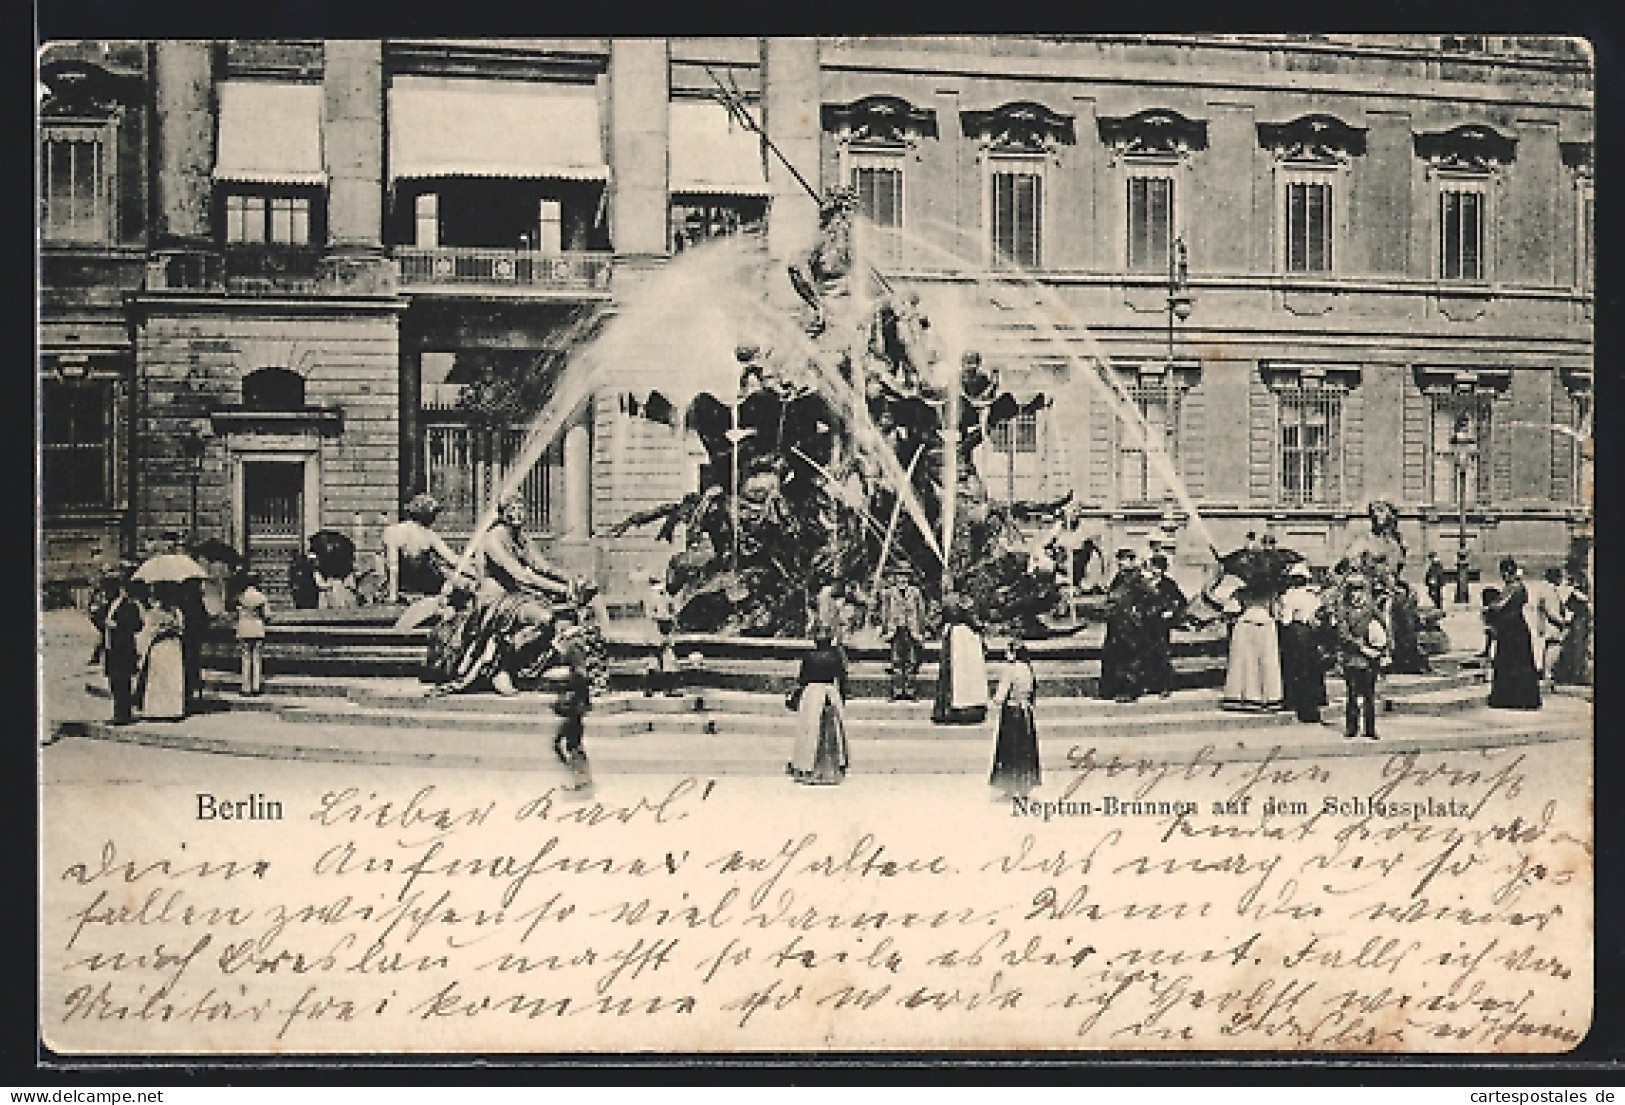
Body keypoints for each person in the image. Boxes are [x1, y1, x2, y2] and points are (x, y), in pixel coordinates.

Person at [787, 627, 850, 785]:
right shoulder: (835, 657)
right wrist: (841, 698)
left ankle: (806, 765)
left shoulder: (809, 657)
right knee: (833, 730)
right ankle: (834, 766)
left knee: (809, 729)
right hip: (830, 692)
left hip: (812, 693)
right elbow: (842, 678)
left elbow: (802, 679)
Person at [1332, 573, 1386, 740]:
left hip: (1371, 658)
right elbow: (1343, 634)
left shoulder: (1370, 608)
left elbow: (1383, 625)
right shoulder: (1344, 610)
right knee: (1352, 694)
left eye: (1359, 590)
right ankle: (1351, 728)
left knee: (1369, 694)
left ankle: (1370, 728)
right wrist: (1360, 645)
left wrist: (1383, 647)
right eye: (1353, 590)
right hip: (1352, 657)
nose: (1356, 594)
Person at [1484, 557, 1542, 710]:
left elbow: (1499, 606)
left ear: (1506, 572)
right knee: (1522, 662)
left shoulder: (1512, 587)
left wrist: (1489, 606)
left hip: (1510, 630)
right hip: (1519, 628)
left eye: (1503, 573)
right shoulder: (1520, 586)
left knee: (1509, 663)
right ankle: (1525, 698)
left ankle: (1509, 699)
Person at [381, 493, 459, 603]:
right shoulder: (427, 535)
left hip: (404, 590)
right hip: (413, 590)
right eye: (433, 515)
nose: (434, 519)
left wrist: (392, 597)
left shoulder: (391, 531)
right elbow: (453, 560)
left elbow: (392, 567)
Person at [988, 639, 1041, 799]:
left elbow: (1000, 696)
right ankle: (1025, 785)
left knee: (1010, 750)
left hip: (1012, 713)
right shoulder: (1028, 669)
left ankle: (1010, 785)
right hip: (1026, 714)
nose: (1006, 654)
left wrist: (993, 700)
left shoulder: (1009, 670)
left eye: (1008, 651)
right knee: (1025, 750)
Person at [1277, 563, 1329, 724]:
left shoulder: (1289, 596)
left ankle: (1295, 703)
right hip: (1311, 634)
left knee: (1295, 670)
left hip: (1295, 633)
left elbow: (1286, 620)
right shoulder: (1313, 596)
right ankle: (1313, 706)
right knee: (1311, 670)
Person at [550, 607, 594, 792]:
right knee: (569, 742)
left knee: (568, 742)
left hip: (574, 702)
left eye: (560, 621)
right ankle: (581, 778)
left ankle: (581, 778)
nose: (558, 625)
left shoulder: (573, 644)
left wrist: (569, 686)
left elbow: (581, 673)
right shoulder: (571, 642)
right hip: (575, 701)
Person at [1221, 580, 1283, 712]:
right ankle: (1268, 697)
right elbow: (1277, 613)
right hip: (1265, 625)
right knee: (1267, 662)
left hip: (1246, 624)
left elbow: (1231, 609)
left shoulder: (1241, 592)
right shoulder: (1272, 592)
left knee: (1246, 662)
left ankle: (1246, 696)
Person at [1098, 548, 1148, 703]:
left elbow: (1149, 598)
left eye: (1124, 559)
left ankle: (1129, 690)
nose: (1120, 563)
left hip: (1130, 626)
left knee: (1129, 658)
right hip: (1115, 624)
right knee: (1112, 656)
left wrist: (1138, 614)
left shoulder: (1138, 579)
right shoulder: (1118, 578)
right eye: (1119, 560)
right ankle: (1110, 689)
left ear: (1132, 561)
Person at [933, 596, 989, 724]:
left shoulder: (948, 599)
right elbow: (974, 621)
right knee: (966, 673)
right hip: (965, 637)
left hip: (956, 635)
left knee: (957, 673)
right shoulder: (966, 600)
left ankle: (950, 710)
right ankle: (967, 710)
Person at [135, 582, 187, 721]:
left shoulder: (176, 611)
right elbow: (149, 630)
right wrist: (160, 630)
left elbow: (182, 629)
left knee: (172, 677)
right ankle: (157, 710)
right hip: (160, 646)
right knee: (159, 678)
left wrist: (173, 629)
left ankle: (172, 709)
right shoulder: (154, 612)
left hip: (172, 646)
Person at [1140, 554, 1188, 699]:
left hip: (1161, 624)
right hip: (1146, 622)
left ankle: (1164, 686)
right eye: (1154, 567)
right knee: (1146, 653)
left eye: (1159, 568)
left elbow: (1181, 601)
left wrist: (1171, 612)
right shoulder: (1145, 583)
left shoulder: (1169, 584)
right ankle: (1148, 684)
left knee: (1162, 654)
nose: (1156, 571)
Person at [878, 572, 926, 701]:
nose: (902, 579)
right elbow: (885, 611)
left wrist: (921, 630)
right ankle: (897, 691)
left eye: (905, 576)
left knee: (911, 661)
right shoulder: (889, 593)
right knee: (896, 661)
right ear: (895, 578)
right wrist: (885, 629)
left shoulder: (915, 592)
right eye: (900, 576)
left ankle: (910, 691)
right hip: (896, 630)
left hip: (911, 630)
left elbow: (920, 611)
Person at [103, 575, 145, 725]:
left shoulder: (130, 605)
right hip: (111, 648)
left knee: (123, 681)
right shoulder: (111, 604)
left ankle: (123, 714)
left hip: (123, 648)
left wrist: (117, 625)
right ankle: (118, 712)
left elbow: (137, 625)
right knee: (114, 682)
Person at [644, 573, 682, 697]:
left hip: (655, 631)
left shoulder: (651, 595)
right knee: (666, 659)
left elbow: (651, 613)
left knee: (655, 659)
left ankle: (651, 688)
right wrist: (669, 619)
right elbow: (667, 612)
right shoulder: (661, 595)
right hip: (661, 629)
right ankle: (668, 689)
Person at [1552, 568, 1592, 686]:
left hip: (1578, 621)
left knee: (1576, 648)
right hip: (1577, 621)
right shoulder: (1574, 592)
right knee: (1576, 648)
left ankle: (1574, 674)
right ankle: (1574, 673)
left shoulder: (1574, 593)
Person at [233, 571, 269, 697]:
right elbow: (267, 614)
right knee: (257, 658)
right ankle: (256, 686)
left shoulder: (241, 597)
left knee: (245, 658)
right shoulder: (261, 597)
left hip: (244, 627)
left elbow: (236, 614)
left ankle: (245, 687)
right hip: (257, 627)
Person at [1532, 567, 1568, 685]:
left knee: (1549, 648)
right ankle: (1548, 674)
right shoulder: (1549, 591)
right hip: (1552, 625)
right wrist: (1563, 621)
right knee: (1553, 647)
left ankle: (1546, 673)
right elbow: (1551, 611)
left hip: (1547, 624)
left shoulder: (1545, 588)